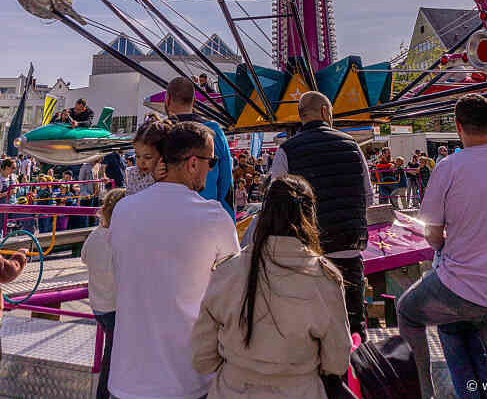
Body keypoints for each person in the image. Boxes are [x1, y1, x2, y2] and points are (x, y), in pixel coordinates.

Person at [396, 93, 487, 399]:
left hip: (461, 289)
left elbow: (432, 235)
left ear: (457, 126)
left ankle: (425, 390)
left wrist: (450, 242)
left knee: (407, 311)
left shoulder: (449, 167)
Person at [108, 121, 239, 399]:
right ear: (193, 163)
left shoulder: (122, 210)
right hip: (187, 378)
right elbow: (234, 294)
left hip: (126, 376)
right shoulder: (214, 217)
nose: (211, 168)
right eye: (211, 161)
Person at [191, 174, 352, 399]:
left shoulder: (229, 270)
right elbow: (337, 361)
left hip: (232, 390)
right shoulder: (324, 277)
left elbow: (202, 358)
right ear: (310, 216)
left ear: (264, 214)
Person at [270, 90, 372, 341]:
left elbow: (276, 204)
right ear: (326, 112)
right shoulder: (351, 146)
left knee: (312, 329)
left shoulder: (286, 151)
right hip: (349, 249)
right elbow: (369, 197)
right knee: (353, 326)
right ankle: (355, 372)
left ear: (301, 116)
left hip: (308, 255)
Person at [164, 76, 235, 221]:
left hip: (167, 218)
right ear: (194, 101)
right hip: (208, 218)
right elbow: (226, 184)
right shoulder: (214, 131)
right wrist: (229, 225)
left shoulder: (160, 131)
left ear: (168, 100)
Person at [81, 188, 126, 399]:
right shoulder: (119, 240)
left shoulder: (95, 235)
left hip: (98, 306)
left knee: (111, 352)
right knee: (113, 357)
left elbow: (84, 258)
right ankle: (105, 394)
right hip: (115, 307)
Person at [125, 118, 170, 195]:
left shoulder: (169, 172)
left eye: (148, 157)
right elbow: (132, 195)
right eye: (138, 156)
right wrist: (152, 178)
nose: (141, 162)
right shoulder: (134, 173)